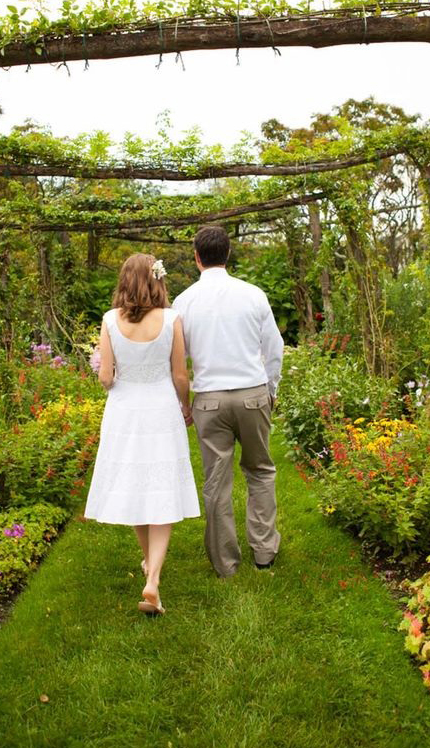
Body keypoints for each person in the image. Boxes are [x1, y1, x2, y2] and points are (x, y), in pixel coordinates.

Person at [84, 253, 200, 615]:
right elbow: (180, 375)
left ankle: (149, 563)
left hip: (124, 411)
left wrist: (115, 376)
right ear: (157, 280)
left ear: (125, 280)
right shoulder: (171, 319)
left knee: (135, 484)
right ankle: (153, 578)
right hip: (161, 407)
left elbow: (106, 377)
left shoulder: (108, 320)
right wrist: (186, 405)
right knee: (162, 485)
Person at [172, 226, 284, 578]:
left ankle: (225, 563)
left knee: (216, 481)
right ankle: (264, 551)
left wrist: (184, 404)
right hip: (252, 394)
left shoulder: (184, 301)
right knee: (261, 471)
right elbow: (274, 348)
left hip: (209, 401)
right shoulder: (253, 295)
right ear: (228, 254)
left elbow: (178, 359)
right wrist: (272, 389)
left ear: (196, 257)